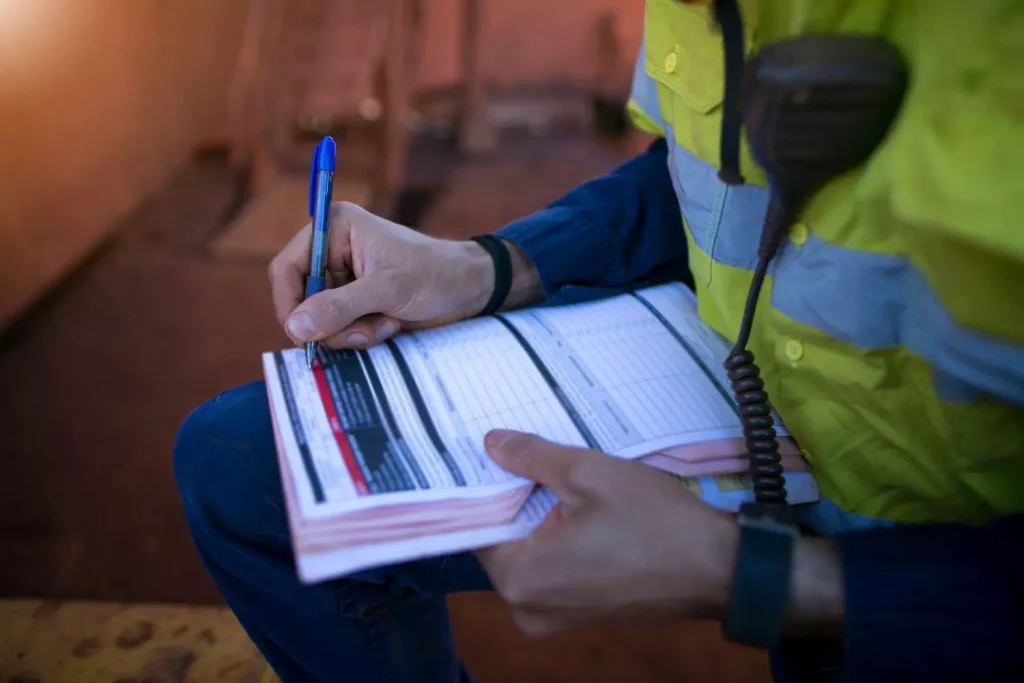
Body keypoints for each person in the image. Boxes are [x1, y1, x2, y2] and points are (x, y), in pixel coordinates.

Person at [173, 1, 1024, 681]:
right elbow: (692, 172)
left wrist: (766, 579)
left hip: (948, 554)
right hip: (735, 387)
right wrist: (485, 265)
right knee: (240, 464)